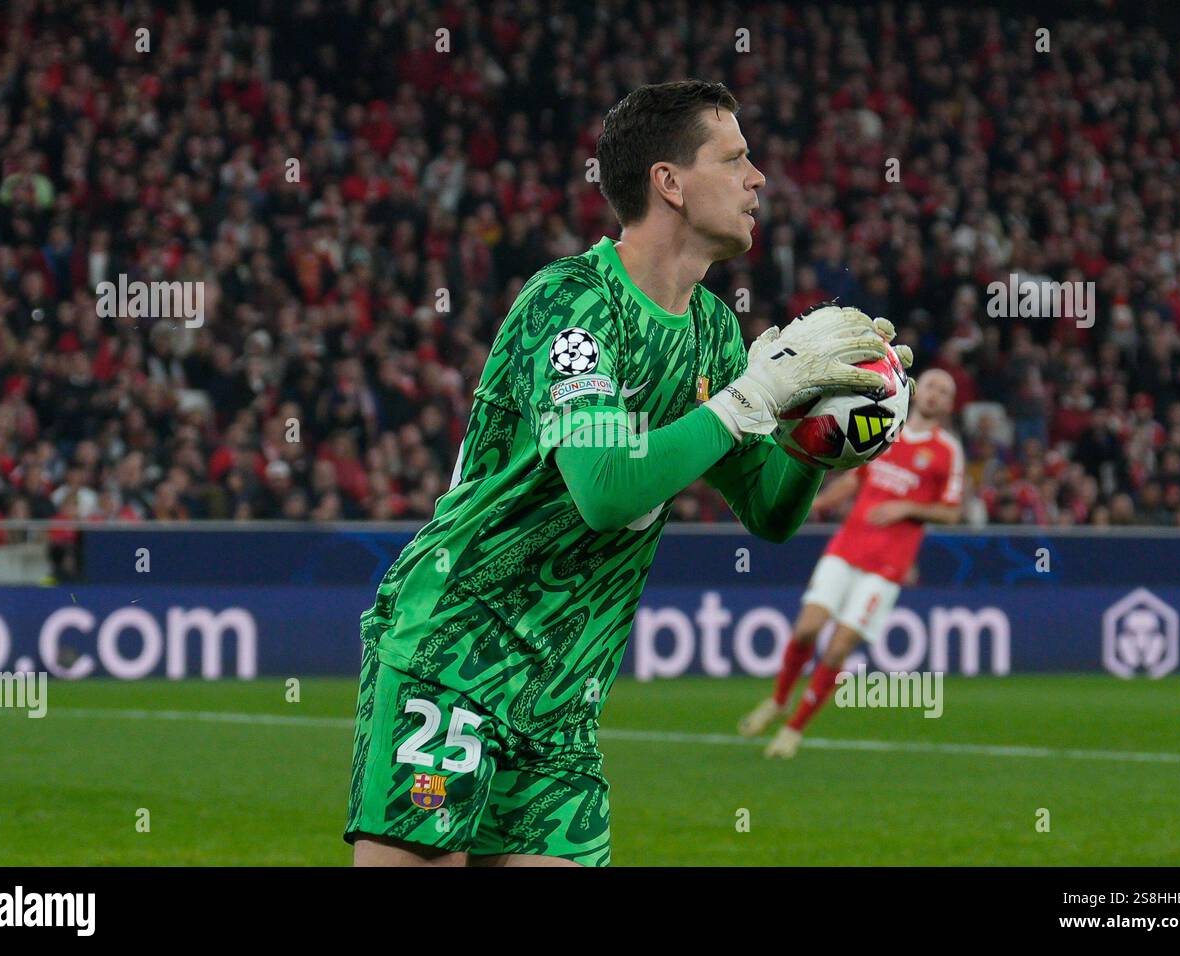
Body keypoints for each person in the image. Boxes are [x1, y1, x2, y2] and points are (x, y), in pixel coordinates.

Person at [345, 79, 911, 866]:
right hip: (456, 655)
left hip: (565, 697)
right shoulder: (574, 304)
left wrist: (818, 436)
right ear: (668, 183)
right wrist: (752, 398)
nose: (759, 179)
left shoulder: (715, 331)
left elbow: (771, 515)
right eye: (736, 158)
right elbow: (606, 491)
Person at [738, 369, 962, 758]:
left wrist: (906, 507)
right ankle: (778, 700)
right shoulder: (884, 429)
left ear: (948, 405)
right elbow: (857, 480)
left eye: (945, 391)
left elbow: (952, 513)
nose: (935, 394)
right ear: (916, 389)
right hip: (846, 548)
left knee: (838, 649)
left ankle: (793, 730)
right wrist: (819, 503)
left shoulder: (947, 451)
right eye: (931, 386)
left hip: (888, 566)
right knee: (807, 629)